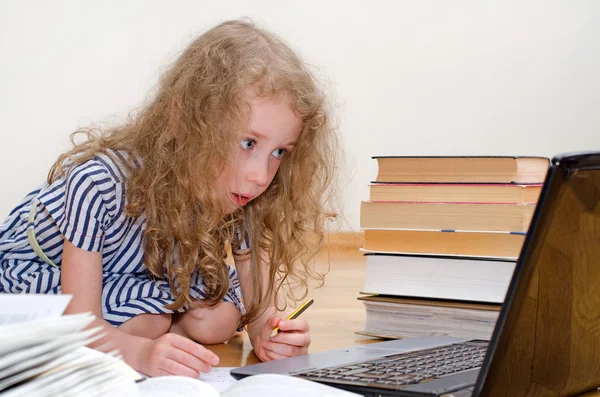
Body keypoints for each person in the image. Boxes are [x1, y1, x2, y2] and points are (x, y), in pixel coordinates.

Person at [0, 19, 339, 378]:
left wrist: (270, 336)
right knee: (148, 323)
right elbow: (81, 323)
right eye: (248, 143)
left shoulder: (242, 194)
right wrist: (141, 353)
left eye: (280, 152)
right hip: (43, 278)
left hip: (133, 274)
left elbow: (259, 315)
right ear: (185, 121)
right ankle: (150, 330)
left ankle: (156, 327)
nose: (261, 175)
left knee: (218, 320)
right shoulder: (99, 182)